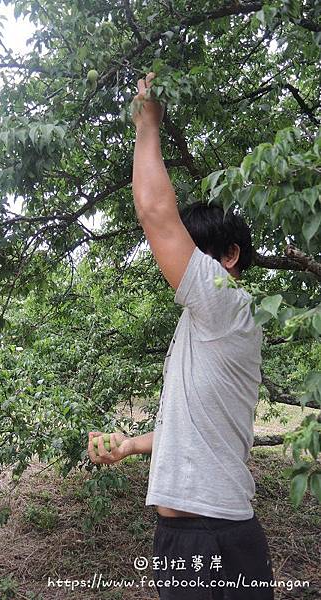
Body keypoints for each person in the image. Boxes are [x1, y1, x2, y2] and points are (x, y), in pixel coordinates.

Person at [87, 72, 275, 599]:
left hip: (211, 536)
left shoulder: (225, 303)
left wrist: (149, 123)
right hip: (188, 534)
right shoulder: (204, 324)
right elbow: (196, 430)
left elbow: (154, 211)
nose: (178, 259)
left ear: (229, 258)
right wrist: (131, 445)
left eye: (192, 250)